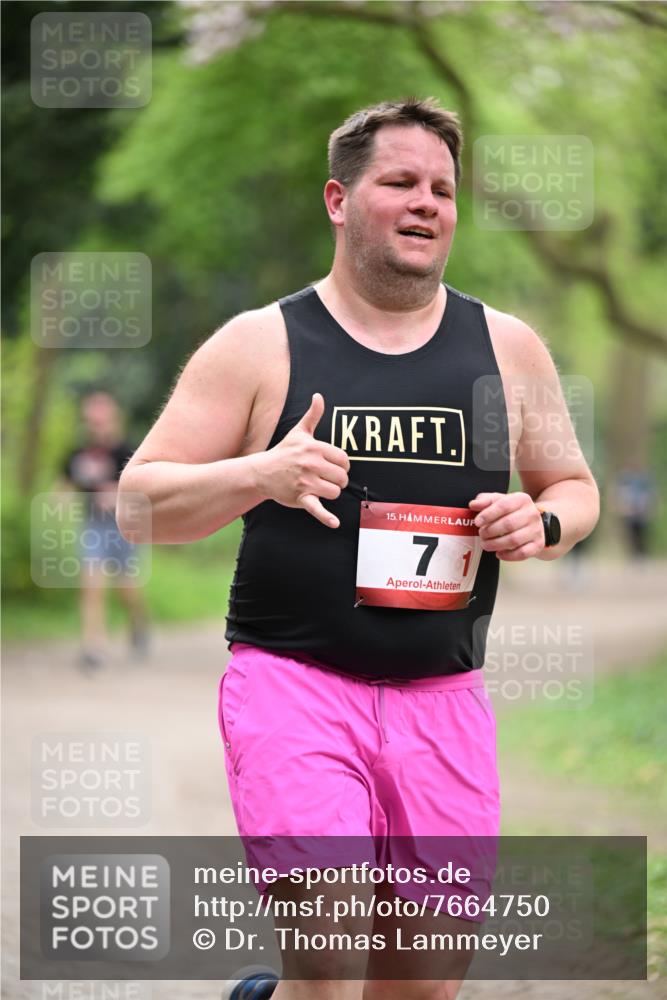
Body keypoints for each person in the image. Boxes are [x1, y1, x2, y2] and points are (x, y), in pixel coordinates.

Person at [117, 99, 599, 1000]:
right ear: (339, 199)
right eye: (400, 183)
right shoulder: (262, 344)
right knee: (331, 951)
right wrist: (262, 472)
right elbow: (140, 506)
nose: (426, 203)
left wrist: (539, 524)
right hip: (294, 684)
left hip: (442, 697)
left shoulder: (505, 348)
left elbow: (574, 488)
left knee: (421, 982)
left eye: (443, 189)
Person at [63, 390, 149, 670]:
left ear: (113, 418)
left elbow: (144, 486)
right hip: (93, 525)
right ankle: (93, 645)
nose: (96, 424)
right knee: (92, 582)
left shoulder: (128, 451)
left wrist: (117, 495)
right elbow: (63, 482)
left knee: (126, 587)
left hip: (124, 525)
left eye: (101, 418)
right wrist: (60, 499)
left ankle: (138, 622)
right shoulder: (77, 453)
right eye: (91, 419)